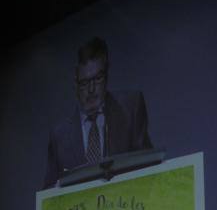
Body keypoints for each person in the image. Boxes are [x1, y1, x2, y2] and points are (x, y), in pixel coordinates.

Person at [45, 36, 153, 188]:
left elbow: (150, 170)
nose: (91, 89)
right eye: (84, 83)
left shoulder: (131, 109)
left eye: (97, 78)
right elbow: (47, 196)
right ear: (75, 82)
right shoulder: (59, 136)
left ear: (107, 74)